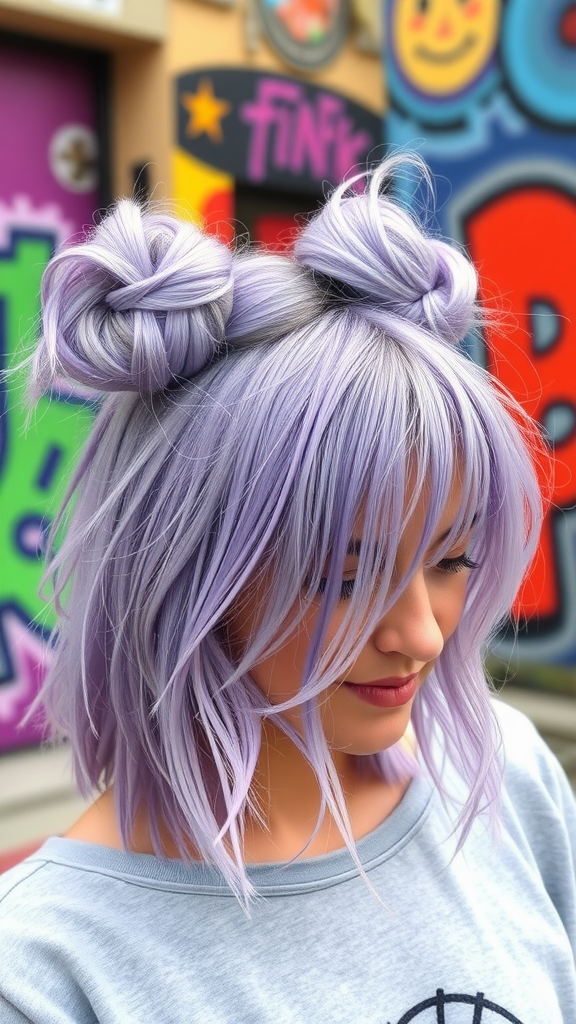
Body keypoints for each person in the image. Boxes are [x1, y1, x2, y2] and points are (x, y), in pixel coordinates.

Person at [0, 156, 574, 1024]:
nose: (421, 634)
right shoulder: (49, 972)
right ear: (183, 569)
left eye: (451, 560)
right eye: (348, 578)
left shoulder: (505, 776)